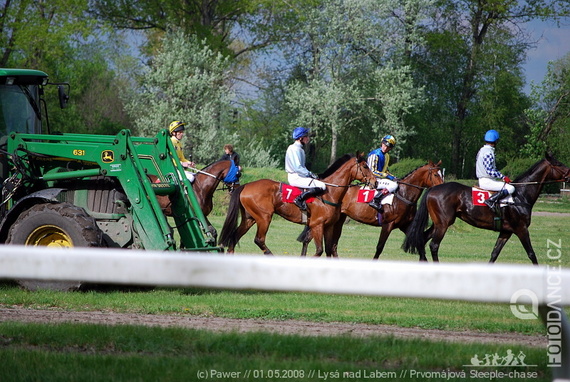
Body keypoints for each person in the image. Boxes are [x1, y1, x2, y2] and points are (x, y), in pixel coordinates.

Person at [285, 127, 326, 210]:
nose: (308, 138)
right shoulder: (294, 148)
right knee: (322, 185)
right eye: (306, 136)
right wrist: (310, 174)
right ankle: (299, 199)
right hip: (296, 177)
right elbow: (298, 168)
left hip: (300, 176)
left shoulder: (300, 149)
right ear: (301, 138)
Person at [475, 129, 514, 208]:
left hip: (486, 179)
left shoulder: (481, 150)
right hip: (486, 181)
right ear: (495, 141)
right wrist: (503, 177)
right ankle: (490, 200)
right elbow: (489, 170)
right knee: (511, 188)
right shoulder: (488, 152)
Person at [367, 135, 398, 211]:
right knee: (394, 185)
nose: (386, 148)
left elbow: (385, 170)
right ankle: (376, 200)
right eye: (385, 145)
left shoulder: (387, 156)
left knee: (398, 183)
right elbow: (372, 171)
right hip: (372, 179)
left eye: (388, 147)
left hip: (380, 179)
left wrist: (394, 177)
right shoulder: (375, 154)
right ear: (382, 143)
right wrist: (386, 175)